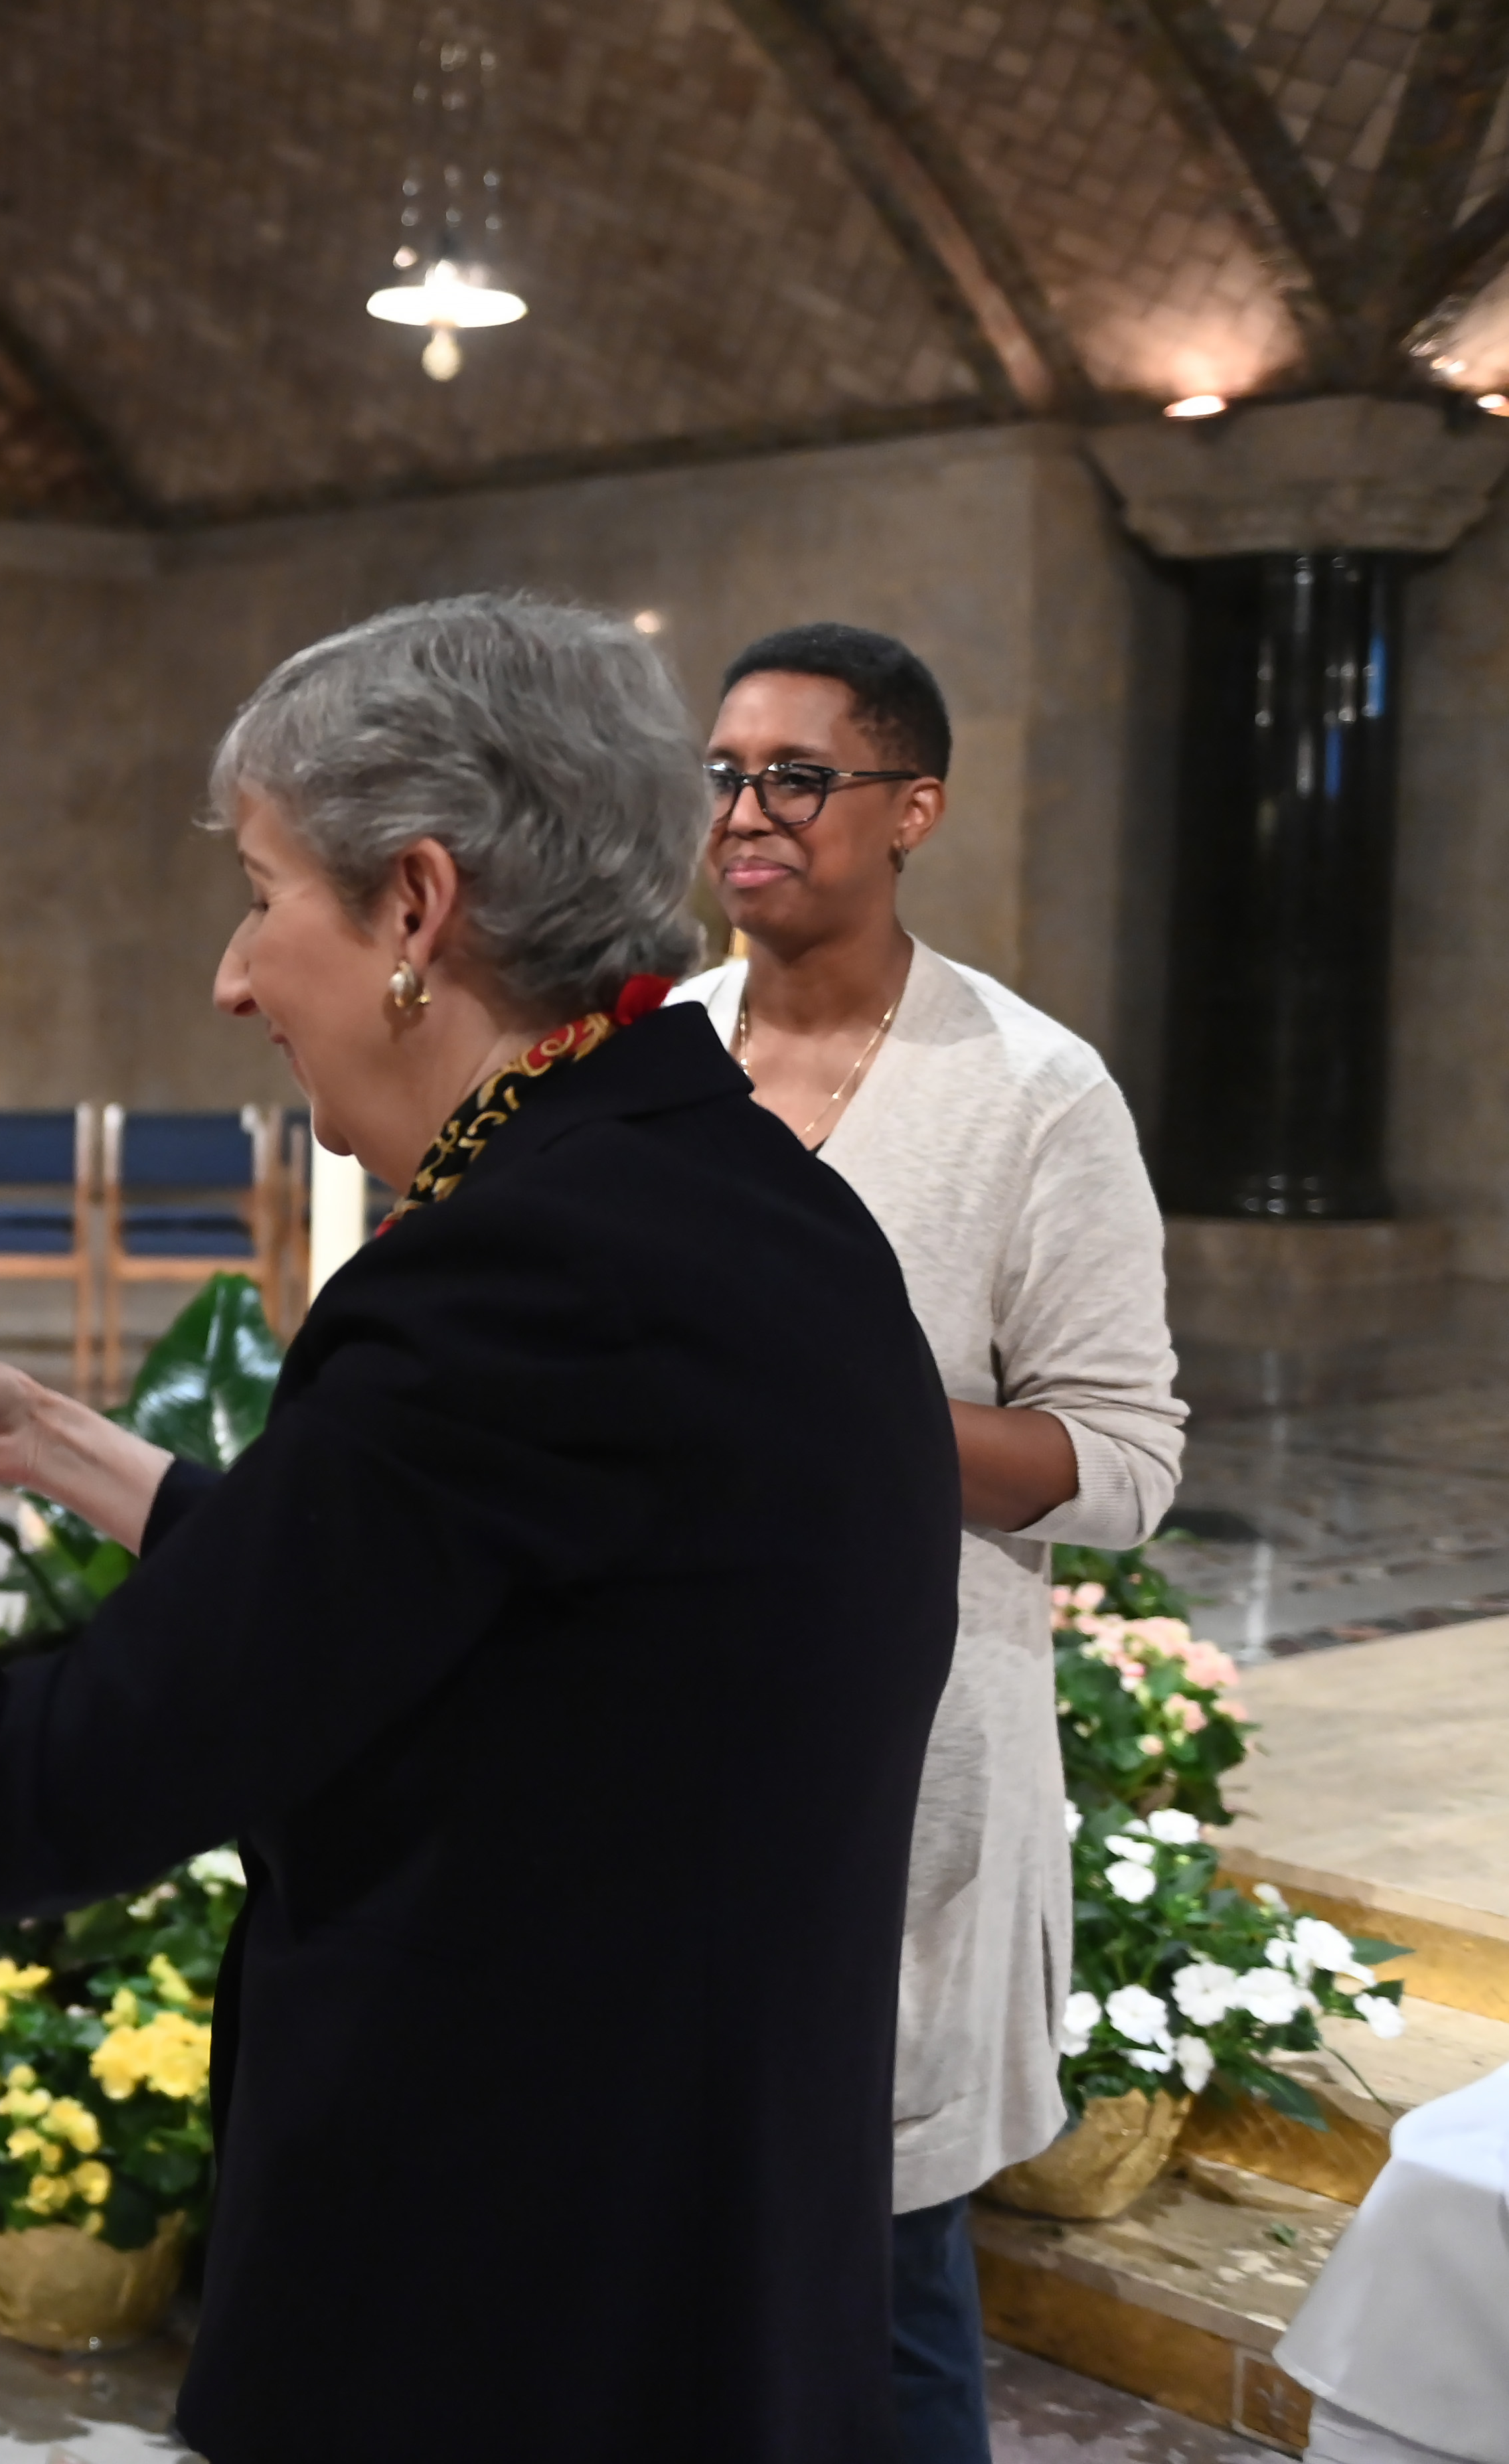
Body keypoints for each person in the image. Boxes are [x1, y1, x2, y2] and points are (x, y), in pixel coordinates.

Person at [0, 596, 965, 2463]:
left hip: (507, 2319)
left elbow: (43, 1787)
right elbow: (446, 1601)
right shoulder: (725, 1192)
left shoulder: (513, 1276)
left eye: (266, 889)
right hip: (706, 2266)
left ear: (414, 910)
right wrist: (69, 1449)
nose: (230, 975)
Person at [677, 623, 1185, 2464]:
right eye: (726, 774)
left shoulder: (1031, 1092)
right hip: (649, 1755)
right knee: (670, 2280)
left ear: (914, 808)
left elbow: (1127, 1459)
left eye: (795, 778)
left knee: (882, 2294)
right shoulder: (645, 1057)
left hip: (911, 1778)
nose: (747, 812)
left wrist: (840, 1411)